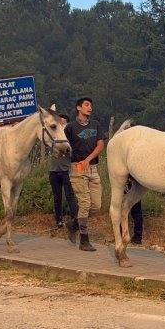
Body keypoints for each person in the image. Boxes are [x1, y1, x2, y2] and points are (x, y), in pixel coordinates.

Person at [64, 97, 107, 251]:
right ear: (78, 108)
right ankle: (84, 240)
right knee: (85, 203)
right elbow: (62, 145)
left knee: (96, 206)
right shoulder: (70, 127)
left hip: (93, 167)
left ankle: (74, 224)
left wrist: (89, 159)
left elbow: (101, 144)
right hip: (78, 168)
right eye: (87, 105)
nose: (90, 108)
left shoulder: (95, 125)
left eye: (91, 105)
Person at [49, 113, 78, 231]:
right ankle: (59, 221)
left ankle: (75, 221)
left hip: (67, 170)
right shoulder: (54, 139)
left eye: (63, 122)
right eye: (59, 122)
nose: (61, 124)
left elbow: (72, 153)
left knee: (70, 196)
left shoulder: (69, 140)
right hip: (54, 171)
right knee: (57, 197)